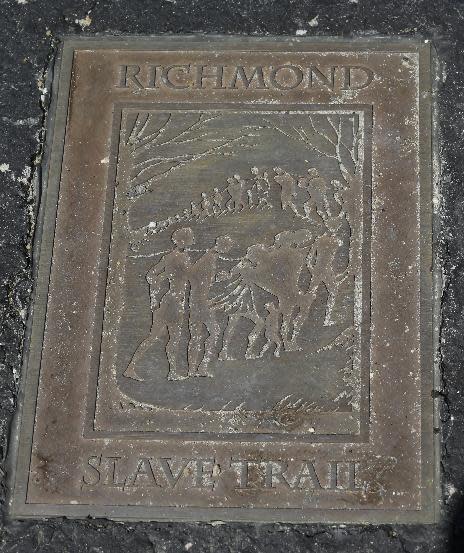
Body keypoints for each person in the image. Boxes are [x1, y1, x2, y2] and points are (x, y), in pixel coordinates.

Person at [123, 228, 194, 381]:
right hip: (171, 303)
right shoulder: (171, 257)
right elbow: (151, 275)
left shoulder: (185, 256)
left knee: (172, 338)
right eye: (189, 238)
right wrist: (154, 297)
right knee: (156, 337)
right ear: (181, 240)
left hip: (177, 302)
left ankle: (172, 371)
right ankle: (130, 368)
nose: (192, 240)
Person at [187, 235, 235, 375]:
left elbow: (200, 278)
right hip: (199, 303)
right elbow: (193, 277)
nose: (228, 250)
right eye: (228, 247)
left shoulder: (209, 258)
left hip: (199, 301)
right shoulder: (208, 259)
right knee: (207, 333)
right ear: (222, 246)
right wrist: (206, 301)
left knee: (200, 335)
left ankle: (195, 368)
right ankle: (199, 367)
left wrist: (216, 279)